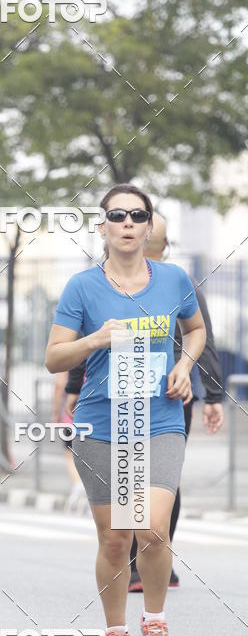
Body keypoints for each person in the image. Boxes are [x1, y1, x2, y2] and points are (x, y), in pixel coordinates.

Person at [45, 183, 206, 636]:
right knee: (115, 537)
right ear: (103, 227)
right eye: (118, 216)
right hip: (100, 423)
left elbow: (195, 329)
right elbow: (54, 357)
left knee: (151, 528)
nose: (129, 224)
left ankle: (154, 619)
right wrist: (95, 339)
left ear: (150, 225)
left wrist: (184, 367)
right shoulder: (82, 287)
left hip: (159, 419)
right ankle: (115, 631)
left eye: (139, 215)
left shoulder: (174, 279)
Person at [65, 212, 224, 590]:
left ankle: (152, 556)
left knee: (161, 482)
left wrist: (196, 380)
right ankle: (140, 563)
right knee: (133, 481)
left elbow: (201, 335)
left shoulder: (176, 283)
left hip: (168, 399)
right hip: (114, 402)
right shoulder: (97, 284)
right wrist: (215, 396)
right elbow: (86, 340)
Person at [51, 371, 86, 513]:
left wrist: (55, 412)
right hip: (93, 417)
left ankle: (78, 485)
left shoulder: (73, 355)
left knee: (70, 455)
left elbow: (59, 384)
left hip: (71, 417)